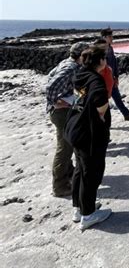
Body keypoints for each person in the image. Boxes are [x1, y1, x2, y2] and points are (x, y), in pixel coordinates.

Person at [71, 45, 112, 230]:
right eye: (104, 57)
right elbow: (100, 101)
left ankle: (79, 208)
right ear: (100, 61)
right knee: (91, 173)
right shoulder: (96, 80)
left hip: (75, 128)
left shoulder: (80, 74)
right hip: (89, 134)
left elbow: (80, 96)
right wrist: (102, 115)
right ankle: (88, 215)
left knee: (80, 170)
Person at [46, 42, 89, 197]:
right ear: (81, 55)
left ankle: (69, 172)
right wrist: (56, 102)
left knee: (68, 144)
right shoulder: (70, 68)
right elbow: (51, 86)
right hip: (62, 113)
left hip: (65, 109)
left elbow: (51, 75)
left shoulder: (69, 63)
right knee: (65, 148)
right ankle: (59, 185)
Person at [101, 28, 129, 122]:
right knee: (103, 101)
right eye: (110, 36)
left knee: (117, 97)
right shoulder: (100, 49)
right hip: (103, 79)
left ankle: (126, 114)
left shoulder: (110, 48)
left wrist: (116, 76)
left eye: (112, 36)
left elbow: (114, 63)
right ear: (104, 37)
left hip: (111, 77)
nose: (112, 38)